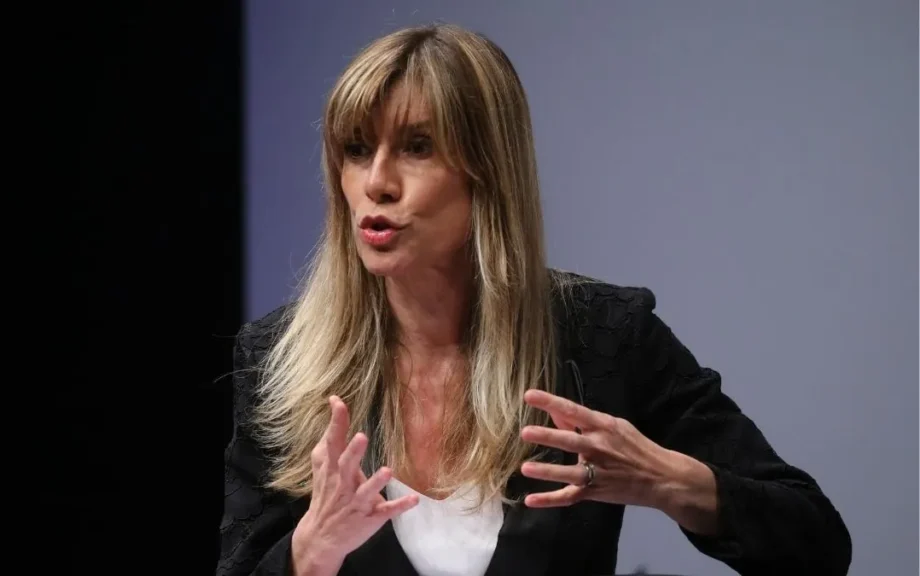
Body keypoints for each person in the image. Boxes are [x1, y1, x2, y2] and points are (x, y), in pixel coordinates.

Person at [217, 24, 851, 576]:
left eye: (417, 147)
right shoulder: (280, 358)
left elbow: (815, 543)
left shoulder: (601, 337)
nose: (377, 182)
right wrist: (309, 554)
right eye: (357, 150)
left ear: (488, 169)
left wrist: (669, 482)